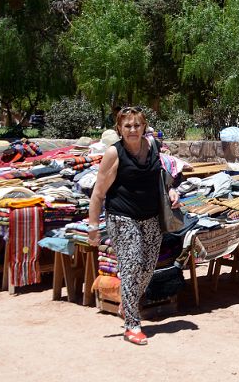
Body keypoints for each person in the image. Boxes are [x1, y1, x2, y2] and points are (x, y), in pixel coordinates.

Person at [87, 106, 179, 346]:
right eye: (127, 125)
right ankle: (132, 325)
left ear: (144, 126)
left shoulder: (153, 146)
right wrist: (93, 227)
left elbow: (163, 176)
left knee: (147, 268)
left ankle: (126, 305)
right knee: (132, 265)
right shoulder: (114, 153)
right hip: (122, 217)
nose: (132, 130)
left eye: (137, 125)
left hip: (151, 217)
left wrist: (171, 190)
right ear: (119, 128)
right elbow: (98, 193)